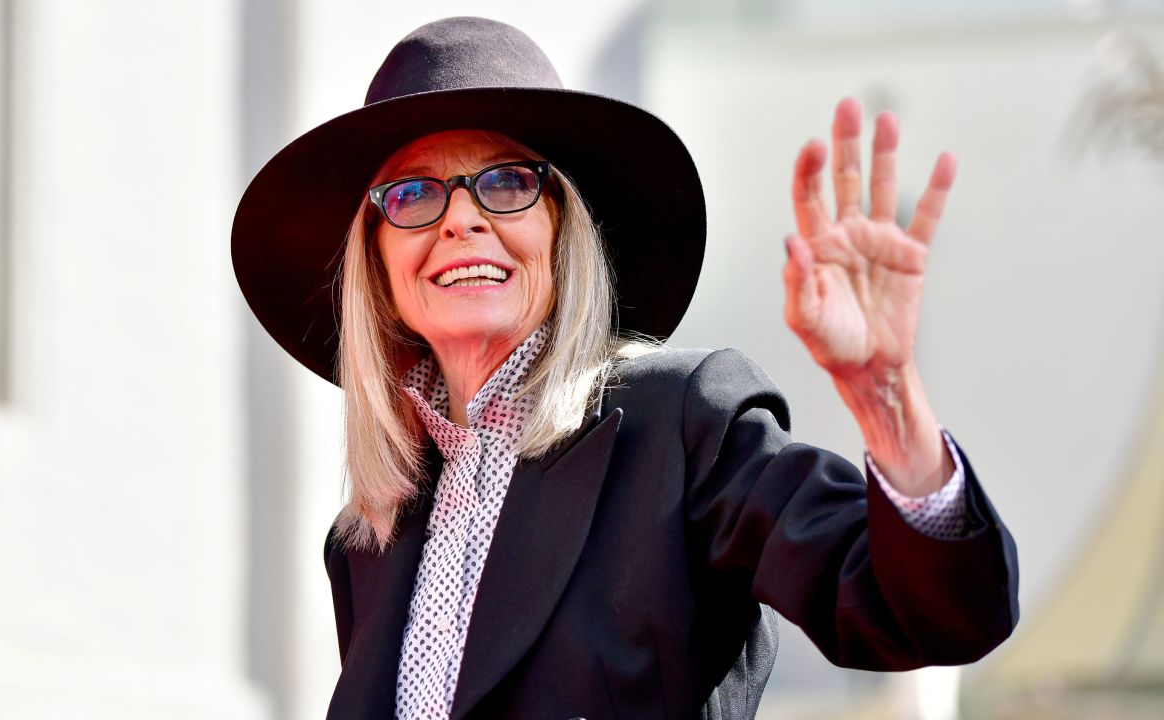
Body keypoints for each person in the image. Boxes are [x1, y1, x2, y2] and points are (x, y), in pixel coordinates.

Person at [232, 16, 1019, 720]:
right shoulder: (367, 539)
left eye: (507, 182)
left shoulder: (681, 424)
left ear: (563, 227)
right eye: (411, 195)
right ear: (377, 260)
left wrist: (886, 399)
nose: (463, 218)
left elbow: (928, 613)